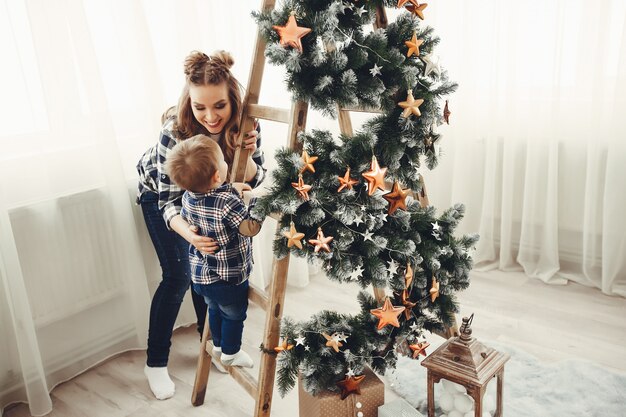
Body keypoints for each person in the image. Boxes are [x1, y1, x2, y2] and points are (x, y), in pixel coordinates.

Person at [136, 50, 266, 400]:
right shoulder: (173, 132)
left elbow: (253, 181)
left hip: (212, 198)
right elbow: (167, 202)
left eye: (219, 106)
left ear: (233, 100)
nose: (210, 117)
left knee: (206, 272)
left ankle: (210, 343)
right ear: (188, 103)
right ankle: (156, 362)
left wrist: (248, 154)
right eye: (200, 108)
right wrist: (189, 233)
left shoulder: (246, 125)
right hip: (164, 199)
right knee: (179, 274)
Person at [167, 136, 261, 371]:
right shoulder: (226, 202)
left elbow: (213, 198)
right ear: (217, 176)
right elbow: (249, 228)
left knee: (214, 309)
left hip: (201, 276)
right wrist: (259, 206)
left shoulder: (188, 197)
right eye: (222, 160)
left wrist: (232, 190)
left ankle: (218, 345)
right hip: (227, 278)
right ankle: (231, 352)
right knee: (234, 315)